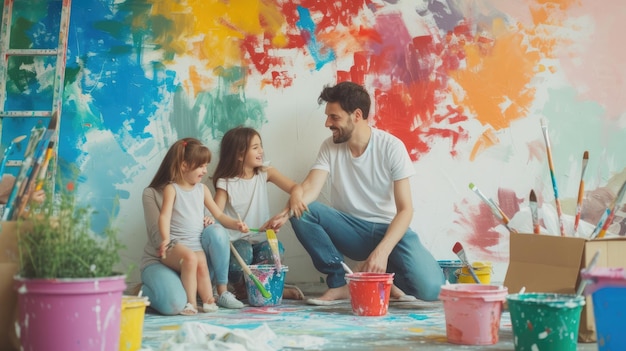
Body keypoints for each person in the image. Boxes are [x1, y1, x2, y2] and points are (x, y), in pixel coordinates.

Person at [287, 81, 445, 305]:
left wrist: (381, 252)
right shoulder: (329, 146)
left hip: (388, 231)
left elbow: (406, 210)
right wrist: (291, 204)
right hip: (351, 230)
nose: (327, 123)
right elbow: (311, 188)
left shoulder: (391, 146)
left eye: (334, 117)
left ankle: (383, 282)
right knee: (302, 211)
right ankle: (341, 284)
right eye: (327, 116)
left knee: (431, 290)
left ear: (357, 115)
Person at [141, 137, 248, 316]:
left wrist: (236, 224)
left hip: (194, 243)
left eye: (206, 166)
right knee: (189, 264)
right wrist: (166, 240)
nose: (205, 171)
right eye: (201, 166)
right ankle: (189, 302)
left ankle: (208, 300)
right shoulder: (167, 190)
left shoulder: (201, 190)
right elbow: (165, 217)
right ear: (184, 166)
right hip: (174, 247)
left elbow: (218, 214)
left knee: (202, 267)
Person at [212, 126, 305, 300]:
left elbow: (295, 187)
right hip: (236, 244)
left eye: (260, 146)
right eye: (255, 147)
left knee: (275, 250)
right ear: (239, 155)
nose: (261, 151)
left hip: (260, 240)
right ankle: (242, 290)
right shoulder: (226, 183)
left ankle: (265, 288)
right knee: (243, 251)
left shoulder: (264, 172)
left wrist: (295, 198)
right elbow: (214, 214)